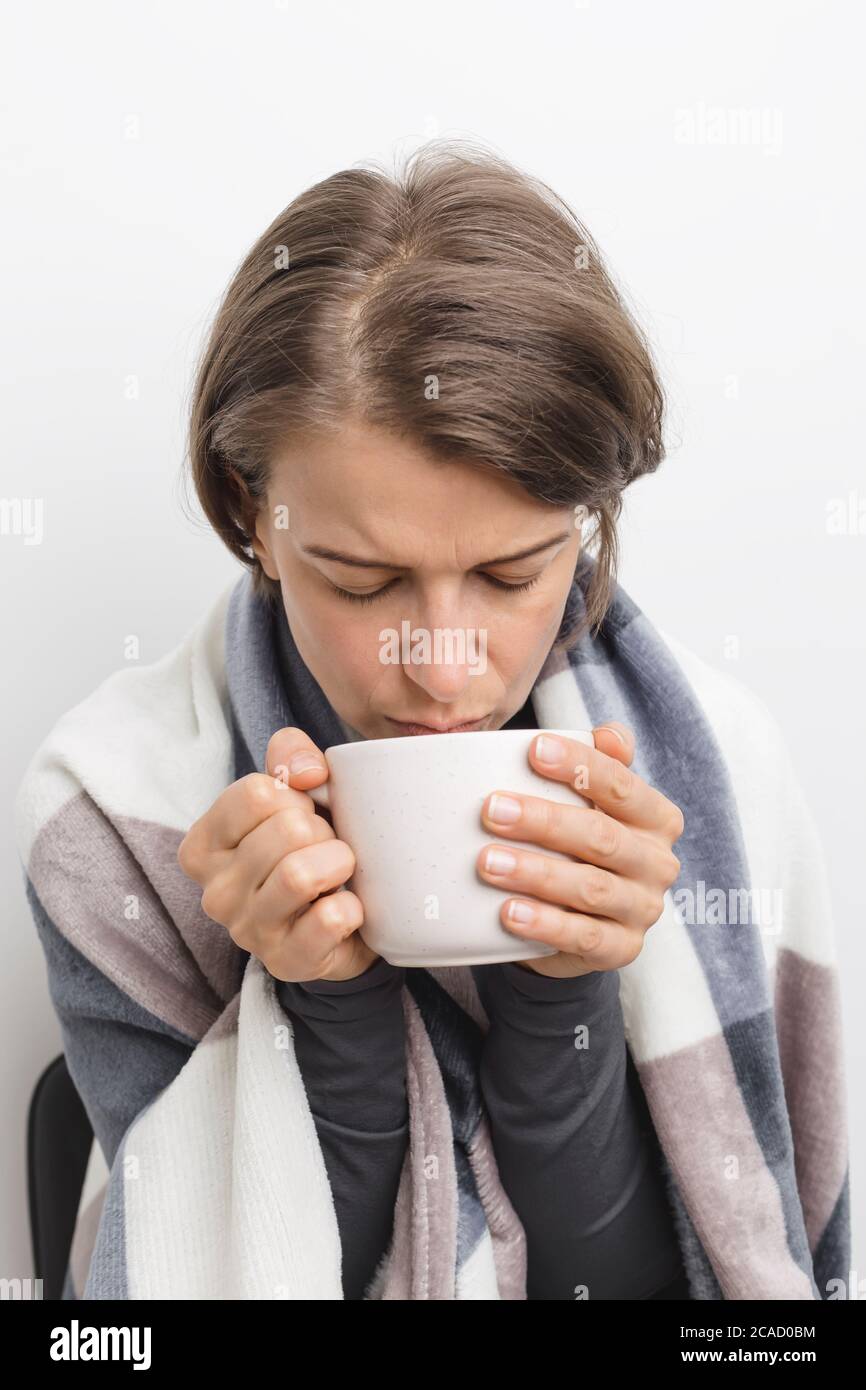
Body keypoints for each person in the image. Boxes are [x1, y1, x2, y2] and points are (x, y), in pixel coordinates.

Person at [16, 141, 846, 1301]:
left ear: (589, 522)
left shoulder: (720, 784)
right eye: (361, 582)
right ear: (254, 515)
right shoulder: (116, 822)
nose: (443, 667)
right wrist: (328, 1020)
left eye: (512, 576)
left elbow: (706, 1297)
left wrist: (563, 1006)